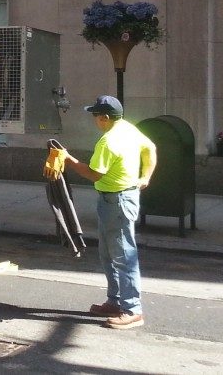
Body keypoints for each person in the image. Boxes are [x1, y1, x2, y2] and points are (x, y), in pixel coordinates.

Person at [61, 95, 157, 330]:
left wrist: (68, 159)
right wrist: (145, 177)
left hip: (118, 200)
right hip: (116, 198)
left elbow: (95, 173)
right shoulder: (128, 128)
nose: (94, 119)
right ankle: (115, 301)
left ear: (104, 118)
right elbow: (150, 148)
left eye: (95, 115)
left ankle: (133, 310)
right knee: (108, 253)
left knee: (123, 255)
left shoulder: (108, 141)